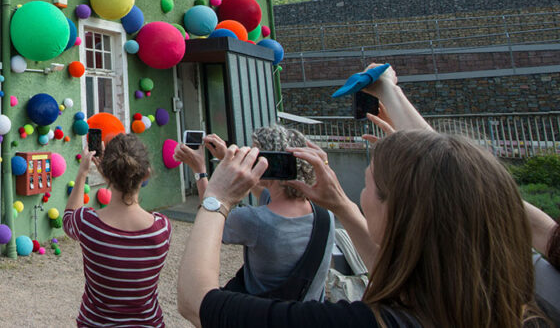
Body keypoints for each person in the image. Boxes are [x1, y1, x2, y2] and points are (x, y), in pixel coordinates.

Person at [178, 64, 546, 328]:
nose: (359, 198)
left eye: (367, 187)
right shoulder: (503, 306)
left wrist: (216, 196)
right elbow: (393, 270)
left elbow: (196, 303)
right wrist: (338, 204)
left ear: (401, 218)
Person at [176, 126, 335, 301]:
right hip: (306, 313)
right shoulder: (325, 214)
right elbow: (260, 189)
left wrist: (200, 171)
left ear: (270, 164)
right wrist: (226, 160)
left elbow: (211, 216)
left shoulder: (254, 220)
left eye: (255, 155)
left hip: (265, 315)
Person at [64, 132, 172, 327]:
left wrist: (82, 173)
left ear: (105, 173)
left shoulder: (87, 223)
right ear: (146, 173)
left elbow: (68, 219)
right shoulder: (162, 228)